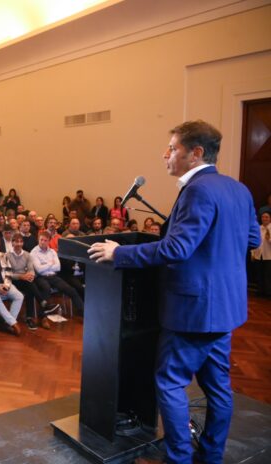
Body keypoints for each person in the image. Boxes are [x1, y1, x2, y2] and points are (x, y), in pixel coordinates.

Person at [88, 120, 261, 464]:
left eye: (172, 148)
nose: (164, 154)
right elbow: (253, 240)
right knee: (218, 389)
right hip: (225, 310)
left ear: (195, 153)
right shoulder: (238, 189)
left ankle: (178, 458)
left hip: (193, 311)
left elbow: (177, 248)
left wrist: (118, 253)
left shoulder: (197, 190)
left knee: (169, 382)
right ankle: (211, 456)